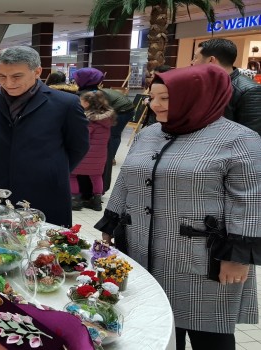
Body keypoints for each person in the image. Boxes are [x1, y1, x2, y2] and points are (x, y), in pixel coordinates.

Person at [95, 64, 261, 350]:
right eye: (151, 97)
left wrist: (238, 255)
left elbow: (249, 198)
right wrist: (111, 223)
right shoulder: (150, 134)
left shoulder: (240, 140)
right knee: (158, 328)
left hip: (204, 256)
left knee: (210, 335)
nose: (153, 105)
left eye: (165, 98)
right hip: (142, 247)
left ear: (196, 98)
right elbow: (125, 180)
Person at [0, 46, 89, 228]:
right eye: (1, 76)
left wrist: (52, 169)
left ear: (37, 72)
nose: (8, 83)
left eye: (16, 76)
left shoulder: (65, 104)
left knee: (45, 246)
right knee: (0, 244)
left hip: (47, 188)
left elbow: (78, 146)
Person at [73, 67, 134, 199]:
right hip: (102, 145)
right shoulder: (100, 94)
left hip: (86, 145)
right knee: (98, 168)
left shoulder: (82, 96)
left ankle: (79, 194)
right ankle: (97, 194)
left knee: (80, 168)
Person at [192, 38, 261, 136]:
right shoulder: (205, 85)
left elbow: (253, 136)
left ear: (211, 60)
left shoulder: (249, 90)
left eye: (195, 58)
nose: (192, 62)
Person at [70, 90, 115, 211]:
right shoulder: (107, 118)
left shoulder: (88, 119)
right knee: (96, 176)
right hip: (100, 154)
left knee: (71, 174)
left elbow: (84, 137)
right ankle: (96, 201)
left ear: (87, 103)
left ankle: (75, 200)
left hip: (85, 155)